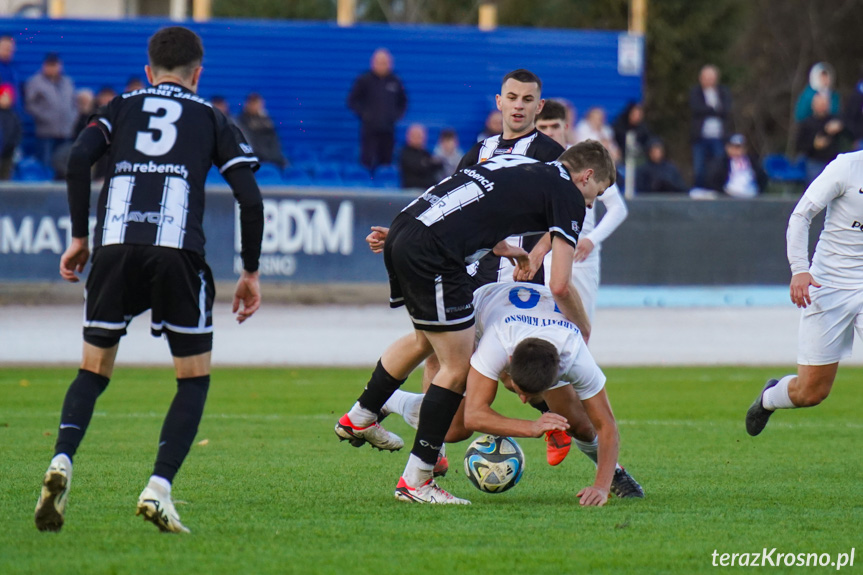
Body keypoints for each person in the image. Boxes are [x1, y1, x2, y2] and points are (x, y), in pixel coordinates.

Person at [33, 26, 264, 534]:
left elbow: (76, 159)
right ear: (197, 74)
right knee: (193, 378)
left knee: (93, 370)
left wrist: (79, 238)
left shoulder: (120, 107)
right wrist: (249, 270)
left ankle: (63, 460)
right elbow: (250, 196)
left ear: (148, 71)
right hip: (177, 251)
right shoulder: (211, 116)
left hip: (114, 247)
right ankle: (158, 488)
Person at [335, 142, 615, 505]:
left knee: (424, 339)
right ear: (587, 175)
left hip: (408, 227)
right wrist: (583, 326)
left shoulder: (519, 163)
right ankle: (416, 482)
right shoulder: (569, 194)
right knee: (455, 364)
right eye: (598, 192)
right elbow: (559, 283)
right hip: (435, 253)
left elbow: (468, 198)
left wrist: (498, 246)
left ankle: (361, 415)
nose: (591, 203)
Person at [380, 281, 645, 504]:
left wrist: (600, 486)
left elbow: (606, 425)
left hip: (540, 325)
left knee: (583, 426)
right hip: (482, 310)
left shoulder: (575, 355)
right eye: (518, 390)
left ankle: (613, 473)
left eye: (528, 396)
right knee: (453, 430)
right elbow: (475, 415)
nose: (521, 399)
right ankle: (392, 399)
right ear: (507, 363)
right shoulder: (495, 344)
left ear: (559, 373)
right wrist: (531, 427)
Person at [535, 99, 628, 465]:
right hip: (546, 264)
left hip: (581, 265)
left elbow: (618, 207)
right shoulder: (543, 166)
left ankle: (577, 423)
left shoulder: (587, 162)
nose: (549, 134)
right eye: (542, 129)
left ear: (566, 128)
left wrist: (592, 239)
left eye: (554, 127)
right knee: (541, 342)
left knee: (575, 346)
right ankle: (565, 423)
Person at [745, 150, 863, 437]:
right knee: (811, 392)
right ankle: (770, 398)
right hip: (829, 286)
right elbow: (801, 215)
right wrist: (800, 269)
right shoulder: (846, 167)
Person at [347, 48, 407, 171]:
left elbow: (403, 102)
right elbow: (352, 101)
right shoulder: (364, 80)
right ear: (373, 63)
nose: (382, 65)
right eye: (379, 62)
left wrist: (394, 116)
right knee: (367, 162)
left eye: (385, 63)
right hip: (369, 130)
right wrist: (365, 115)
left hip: (388, 130)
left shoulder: (395, 81)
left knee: (386, 162)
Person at [25, 52, 76, 172]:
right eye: (50, 65)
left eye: (55, 65)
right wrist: (44, 117)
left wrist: (72, 118)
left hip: (65, 131)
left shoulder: (67, 82)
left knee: (63, 163)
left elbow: (74, 103)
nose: (53, 68)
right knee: (45, 164)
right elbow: (30, 104)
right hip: (46, 132)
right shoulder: (36, 82)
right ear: (44, 66)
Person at [689, 64, 733, 188]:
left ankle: (717, 191)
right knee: (699, 169)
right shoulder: (695, 92)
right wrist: (714, 109)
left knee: (718, 166)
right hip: (700, 137)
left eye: (711, 77)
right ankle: (698, 191)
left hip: (719, 137)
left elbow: (726, 109)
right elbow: (696, 108)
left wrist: (710, 110)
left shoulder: (723, 92)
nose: (709, 80)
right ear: (701, 78)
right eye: (706, 77)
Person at [796, 93, 849, 185]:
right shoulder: (807, 123)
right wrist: (814, 144)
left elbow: (851, 133)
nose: (822, 107)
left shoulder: (835, 119)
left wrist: (841, 127)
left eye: (824, 104)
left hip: (833, 162)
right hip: (814, 163)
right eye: (820, 104)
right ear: (813, 105)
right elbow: (799, 145)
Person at [704, 134, 768, 198]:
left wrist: (758, 191)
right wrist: (723, 192)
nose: (736, 151)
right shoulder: (721, 163)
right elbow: (713, 179)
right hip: (730, 195)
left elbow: (762, 177)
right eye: (733, 148)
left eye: (739, 148)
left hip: (751, 194)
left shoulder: (752, 162)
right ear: (727, 148)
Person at [237, 92, 287, 169]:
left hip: (272, 157)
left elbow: (274, 140)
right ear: (248, 104)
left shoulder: (266, 120)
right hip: (256, 158)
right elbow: (248, 141)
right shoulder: (242, 120)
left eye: (258, 104)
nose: (256, 106)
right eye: (254, 103)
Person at [399, 123, 443, 189]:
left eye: (421, 136)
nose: (419, 139)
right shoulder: (404, 153)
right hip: (412, 189)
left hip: (429, 189)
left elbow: (438, 165)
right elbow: (416, 167)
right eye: (416, 136)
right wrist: (428, 164)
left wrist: (427, 163)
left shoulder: (425, 152)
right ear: (409, 137)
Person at [0, 83, 20, 179]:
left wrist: (13, 145)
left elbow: (18, 132)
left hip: (8, 153)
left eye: (8, 97)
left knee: (5, 177)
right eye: (3, 96)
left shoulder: (13, 116)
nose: (6, 99)